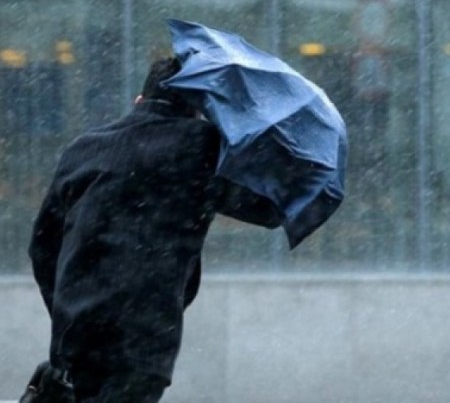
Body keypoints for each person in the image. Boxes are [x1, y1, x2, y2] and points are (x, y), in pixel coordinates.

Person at [21, 57, 281, 402]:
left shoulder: (84, 148)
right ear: (197, 111)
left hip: (75, 338)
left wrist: (68, 310)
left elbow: (43, 246)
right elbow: (272, 208)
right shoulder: (202, 146)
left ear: (139, 100)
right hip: (141, 340)